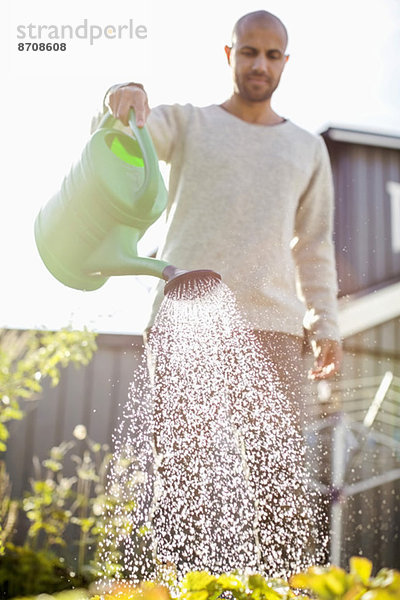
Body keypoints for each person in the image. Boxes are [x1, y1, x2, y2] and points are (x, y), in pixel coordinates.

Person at [100, 9, 343, 573]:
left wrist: (325, 319)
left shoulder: (307, 149)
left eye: (272, 54)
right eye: (249, 51)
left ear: (285, 62)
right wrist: (121, 91)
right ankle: (180, 586)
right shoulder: (187, 124)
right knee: (181, 477)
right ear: (229, 54)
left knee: (277, 483)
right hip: (185, 318)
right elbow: (120, 133)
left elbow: (315, 244)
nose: (260, 63)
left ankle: (285, 589)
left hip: (275, 330)